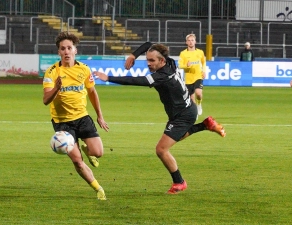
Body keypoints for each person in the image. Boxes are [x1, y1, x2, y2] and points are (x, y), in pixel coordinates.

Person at [94, 42, 226, 194]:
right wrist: (133, 55)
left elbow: (138, 81)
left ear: (161, 61)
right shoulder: (169, 62)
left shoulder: (162, 76)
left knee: (161, 149)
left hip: (183, 115)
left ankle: (179, 182)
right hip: (186, 109)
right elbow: (150, 44)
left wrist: (108, 77)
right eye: (147, 60)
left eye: (152, 61)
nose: (148, 63)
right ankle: (206, 125)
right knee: (178, 136)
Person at [42, 31, 109, 200]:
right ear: (58, 52)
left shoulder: (84, 69)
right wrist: (57, 88)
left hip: (82, 118)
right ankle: (98, 188)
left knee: (98, 152)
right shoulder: (52, 72)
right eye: (62, 49)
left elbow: (92, 92)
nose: (66, 51)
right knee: (77, 161)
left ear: (75, 50)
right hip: (63, 123)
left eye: (69, 48)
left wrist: (100, 116)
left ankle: (88, 149)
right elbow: (45, 100)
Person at [178, 34, 206, 116]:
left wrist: (204, 71)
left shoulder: (200, 52)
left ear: (195, 42)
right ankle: (195, 113)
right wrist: (186, 65)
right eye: (189, 40)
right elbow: (179, 65)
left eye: (192, 40)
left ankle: (199, 104)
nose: (191, 42)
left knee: (198, 93)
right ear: (186, 42)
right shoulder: (183, 53)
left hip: (198, 76)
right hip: (188, 79)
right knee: (191, 98)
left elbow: (203, 63)